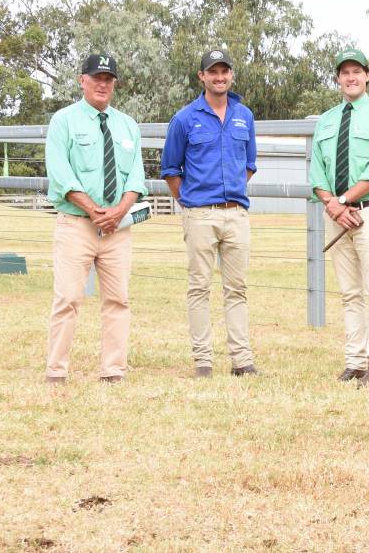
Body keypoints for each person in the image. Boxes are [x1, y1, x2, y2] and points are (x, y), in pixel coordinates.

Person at [44, 53, 148, 384]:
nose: (103, 84)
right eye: (96, 77)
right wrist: (93, 210)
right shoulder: (63, 121)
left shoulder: (128, 125)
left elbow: (137, 177)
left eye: (109, 79)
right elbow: (60, 174)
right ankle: (56, 372)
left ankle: (113, 372)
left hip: (117, 228)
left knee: (118, 300)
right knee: (68, 299)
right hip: (77, 224)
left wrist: (119, 211)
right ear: (82, 80)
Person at [161, 50, 259, 377]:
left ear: (232, 75)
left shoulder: (244, 115)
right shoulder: (184, 119)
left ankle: (242, 361)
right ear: (201, 76)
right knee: (199, 287)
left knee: (237, 288)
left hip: (236, 214)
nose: (219, 77)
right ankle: (203, 362)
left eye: (224, 71)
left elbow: (249, 165)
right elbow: (171, 169)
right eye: (212, 72)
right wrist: (190, 201)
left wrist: (229, 190)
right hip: (200, 214)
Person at [309, 48, 369, 386]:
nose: (351, 77)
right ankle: (354, 362)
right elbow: (317, 168)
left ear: (368, 75)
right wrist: (332, 203)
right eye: (344, 72)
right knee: (349, 292)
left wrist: (345, 200)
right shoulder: (327, 119)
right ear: (337, 78)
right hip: (336, 215)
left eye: (356, 71)